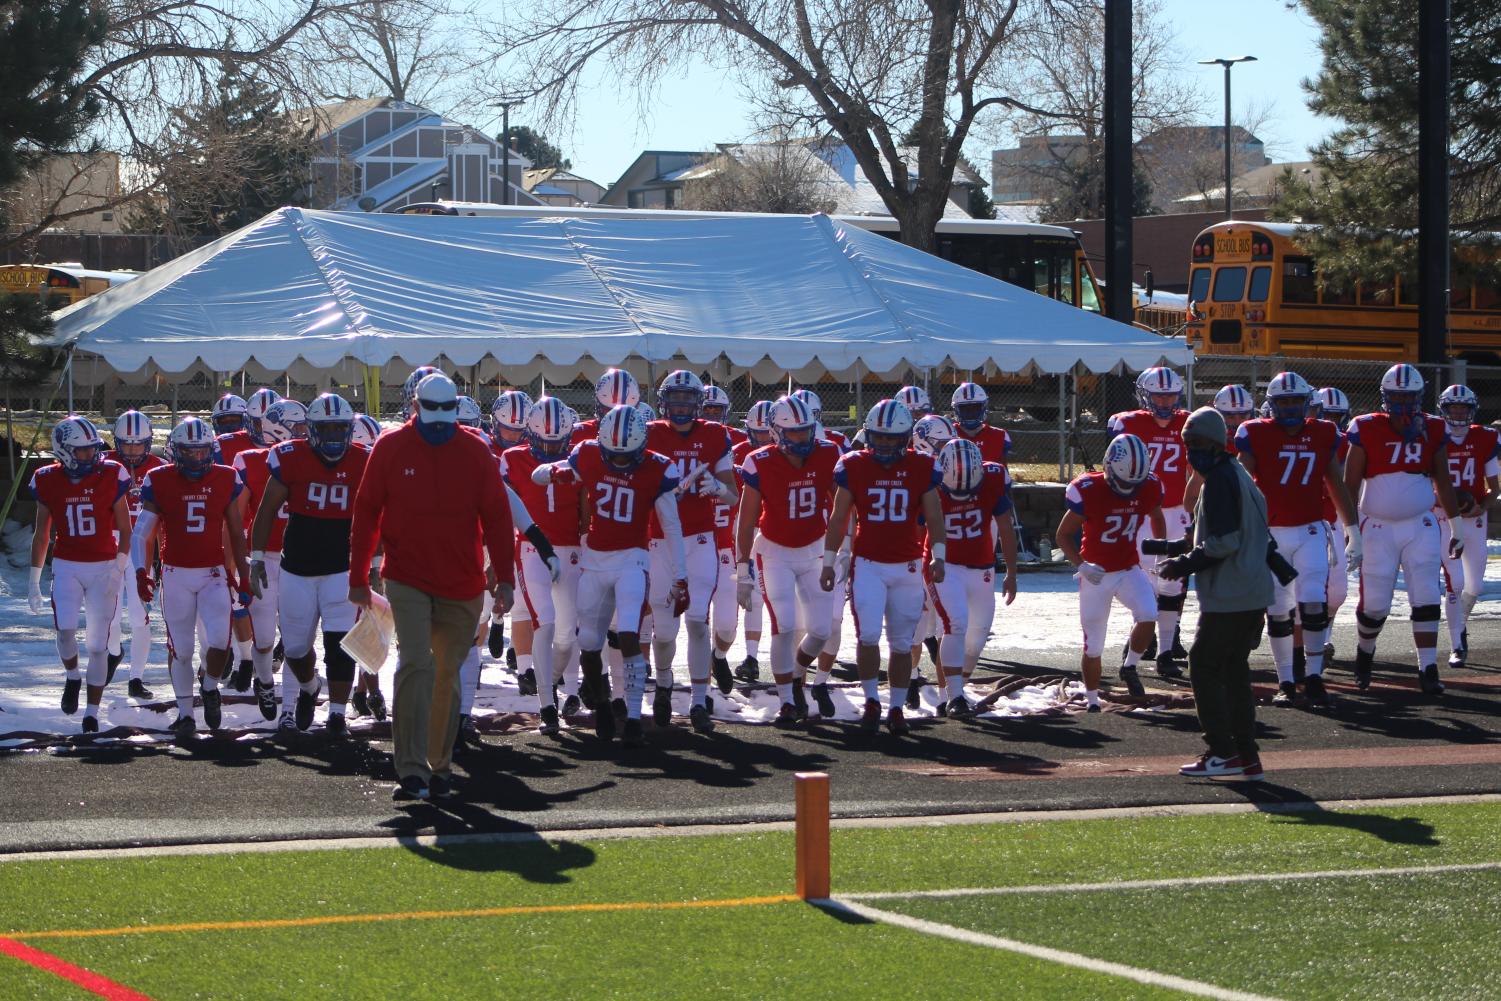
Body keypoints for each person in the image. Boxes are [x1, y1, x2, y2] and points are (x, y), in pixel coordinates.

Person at [348, 374, 515, 801]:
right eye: (431, 411)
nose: (439, 422)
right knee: (415, 663)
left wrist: (506, 576)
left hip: (462, 580)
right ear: (416, 406)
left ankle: (439, 766)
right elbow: (366, 511)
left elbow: (497, 516)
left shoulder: (476, 451)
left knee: (446, 671)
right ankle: (409, 769)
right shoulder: (390, 447)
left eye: (447, 412)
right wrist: (359, 575)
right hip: (407, 576)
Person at [534, 403, 686, 743]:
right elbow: (564, 470)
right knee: (588, 642)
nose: (618, 461)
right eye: (612, 455)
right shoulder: (588, 453)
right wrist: (552, 470)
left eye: (625, 456)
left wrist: (681, 575)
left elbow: (671, 526)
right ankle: (602, 705)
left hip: (633, 559)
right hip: (594, 560)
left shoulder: (657, 468)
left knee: (629, 633)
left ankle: (633, 715)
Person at [1157, 407, 1274, 782]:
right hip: (1251, 587)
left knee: (1203, 664)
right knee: (1234, 671)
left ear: (1214, 442)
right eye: (1187, 443)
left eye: (1196, 443)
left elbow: (1224, 542)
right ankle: (1246, 755)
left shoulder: (1221, 478)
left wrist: (1182, 565)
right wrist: (1182, 548)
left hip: (1232, 591)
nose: (1191, 450)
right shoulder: (1236, 473)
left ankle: (1223, 750)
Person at [820, 399, 944, 736]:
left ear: (905, 437)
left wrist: (939, 555)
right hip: (869, 564)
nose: (886, 444)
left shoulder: (923, 466)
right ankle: (873, 699)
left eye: (892, 438)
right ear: (869, 435)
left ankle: (896, 707)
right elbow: (838, 518)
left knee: (902, 643)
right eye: (880, 437)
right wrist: (829, 562)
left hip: (906, 565)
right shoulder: (854, 465)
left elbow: (934, 515)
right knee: (869, 635)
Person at [1234, 371, 1357, 708]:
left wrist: (1353, 529)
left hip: (1311, 529)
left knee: (1314, 602)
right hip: (1271, 533)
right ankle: (1286, 680)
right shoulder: (1254, 432)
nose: (1289, 407)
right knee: (1278, 609)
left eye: (1294, 401)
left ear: (1306, 403)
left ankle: (1314, 676)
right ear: (1271, 405)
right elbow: (1243, 481)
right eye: (1283, 401)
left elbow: (1335, 482)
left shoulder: (1323, 432)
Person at [251, 393, 369, 737]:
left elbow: (378, 512)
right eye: (326, 429)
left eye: (339, 429)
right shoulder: (291, 457)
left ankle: (336, 715)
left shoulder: (364, 460)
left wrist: (375, 563)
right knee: (297, 648)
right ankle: (308, 687)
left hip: (340, 569)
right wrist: (257, 558)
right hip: (297, 570)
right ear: (312, 430)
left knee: (340, 644)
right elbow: (267, 509)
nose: (333, 436)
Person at [1344, 364, 1461, 696]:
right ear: (1385, 397)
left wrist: (1457, 526)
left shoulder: (1433, 428)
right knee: (1375, 606)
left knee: (1426, 594)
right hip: (1377, 526)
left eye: (1409, 397)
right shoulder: (1365, 427)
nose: (1403, 404)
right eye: (1397, 397)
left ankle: (1428, 668)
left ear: (1419, 397)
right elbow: (1349, 485)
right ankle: (1365, 655)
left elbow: (1443, 479)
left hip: (1420, 524)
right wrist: (1351, 530)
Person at [133, 417, 248, 738]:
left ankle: (209, 686)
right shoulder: (160, 479)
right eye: (189, 452)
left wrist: (243, 574)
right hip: (175, 574)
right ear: (176, 451)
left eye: (201, 452)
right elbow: (141, 533)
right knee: (181, 649)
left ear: (210, 450)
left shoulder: (226, 477)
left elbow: (236, 533)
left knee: (220, 643)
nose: (197, 459)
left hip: (213, 573)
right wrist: (143, 570)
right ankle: (185, 713)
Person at [735, 395, 841, 726]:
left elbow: (840, 508)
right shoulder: (759, 461)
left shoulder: (828, 453)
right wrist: (742, 570)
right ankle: (786, 701)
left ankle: (797, 677)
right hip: (774, 552)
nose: (802, 439)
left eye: (806, 432)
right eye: (793, 434)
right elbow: (747, 519)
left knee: (822, 631)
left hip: (814, 548)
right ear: (777, 433)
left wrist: (841, 550)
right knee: (784, 626)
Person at [29, 417, 132, 732]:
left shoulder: (111, 475)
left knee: (99, 645)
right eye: (83, 451)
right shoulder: (47, 479)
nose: (92, 456)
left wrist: (119, 567)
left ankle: (92, 712)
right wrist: (33, 578)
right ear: (64, 451)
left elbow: (126, 530)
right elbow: (41, 534)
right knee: (65, 631)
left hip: (103, 566)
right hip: (68, 565)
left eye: (92, 449)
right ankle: (73, 677)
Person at [646, 370, 738, 717]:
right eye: (675, 398)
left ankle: (700, 699)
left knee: (698, 619)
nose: (680, 405)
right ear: (663, 401)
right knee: (664, 627)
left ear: (699, 402)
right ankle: (665, 684)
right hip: (661, 541)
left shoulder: (715, 435)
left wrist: (717, 488)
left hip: (700, 539)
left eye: (687, 399)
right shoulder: (651, 433)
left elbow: (732, 496)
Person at [1056, 434, 1164, 707]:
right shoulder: (1090, 488)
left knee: (1149, 613)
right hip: (1097, 574)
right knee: (1093, 643)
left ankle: (1129, 667)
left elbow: (1156, 516)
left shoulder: (1148, 486)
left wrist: (1159, 554)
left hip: (1128, 568)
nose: (1129, 488)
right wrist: (1081, 565)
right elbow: (1062, 534)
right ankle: (1092, 701)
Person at [500, 396, 577, 734]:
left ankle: (557, 680)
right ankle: (547, 704)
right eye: (543, 441)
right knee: (544, 622)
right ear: (530, 433)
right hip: (532, 549)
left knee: (566, 633)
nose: (549, 448)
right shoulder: (512, 458)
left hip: (572, 549)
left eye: (556, 442)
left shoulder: (580, 457)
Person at [1109, 367, 1192, 677]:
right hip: (1143, 512)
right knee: (1142, 580)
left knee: (1172, 583)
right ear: (1145, 395)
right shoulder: (1129, 423)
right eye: (1159, 394)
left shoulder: (1188, 422)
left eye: (1170, 394)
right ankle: (1139, 640)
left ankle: (1167, 652)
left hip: (1176, 509)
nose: (1165, 401)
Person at [927, 438, 1018, 716]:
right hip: (946, 565)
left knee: (977, 636)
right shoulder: (931, 484)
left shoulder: (992, 478)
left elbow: (1006, 528)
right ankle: (952, 696)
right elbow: (917, 530)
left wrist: (1012, 572)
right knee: (955, 624)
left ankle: (956, 690)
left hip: (983, 567)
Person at [1434, 384, 1498, 668]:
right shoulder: (1434, 436)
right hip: (1442, 516)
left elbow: (1494, 486)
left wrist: (1480, 506)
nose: (1458, 413)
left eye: (1463, 408)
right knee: (1455, 582)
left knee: (1475, 585)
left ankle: (1461, 624)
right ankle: (1457, 643)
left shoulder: (1484, 437)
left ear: (1472, 410)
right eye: (1453, 408)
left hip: (1474, 517)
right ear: (1443, 410)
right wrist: (1448, 503)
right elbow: (1425, 481)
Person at [104, 410, 164, 699]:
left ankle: (136, 678)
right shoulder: (103, 466)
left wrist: (163, 555)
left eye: (137, 445)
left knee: (140, 615)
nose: (131, 451)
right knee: (110, 616)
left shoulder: (160, 468)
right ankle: (114, 653)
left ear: (149, 442)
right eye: (125, 445)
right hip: (111, 546)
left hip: (142, 547)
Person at [727, 401, 774, 682]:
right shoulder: (740, 453)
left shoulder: (784, 454)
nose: (762, 438)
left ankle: (754, 656)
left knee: (762, 596)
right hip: (744, 526)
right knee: (744, 594)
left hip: (770, 529)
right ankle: (741, 654)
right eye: (756, 432)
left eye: (767, 432)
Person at [347, 413, 389, 722]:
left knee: (372, 626)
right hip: (342, 560)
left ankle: (364, 691)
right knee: (355, 624)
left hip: (371, 559)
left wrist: (376, 563)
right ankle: (363, 691)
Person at [1314, 387, 1354, 653]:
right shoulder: (1303, 438)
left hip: (1335, 520)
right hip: (1303, 519)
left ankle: (1323, 632)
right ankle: (1314, 643)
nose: (1330, 423)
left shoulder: (1348, 444)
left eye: (1335, 417)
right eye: (1325, 416)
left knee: (1337, 591)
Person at [949, 382, 1012, 466]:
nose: (970, 413)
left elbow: (1003, 474)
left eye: (975, 408)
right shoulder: (948, 434)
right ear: (956, 409)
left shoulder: (1000, 435)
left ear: (984, 407)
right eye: (965, 409)